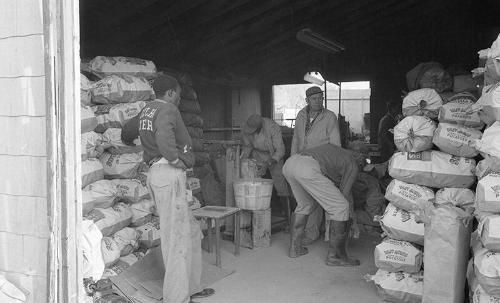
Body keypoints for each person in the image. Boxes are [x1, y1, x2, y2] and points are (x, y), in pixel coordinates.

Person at [137, 74, 214, 303]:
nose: (180, 99)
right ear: (170, 92)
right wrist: (174, 159)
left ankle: (192, 287)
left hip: (159, 174)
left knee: (190, 230)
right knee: (177, 237)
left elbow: (130, 131)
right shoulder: (168, 110)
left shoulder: (147, 109)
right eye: (179, 95)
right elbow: (164, 138)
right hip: (168, 174)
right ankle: (177, 297)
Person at [283, 143, 360, 266]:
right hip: (307, 167)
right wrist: (352, 219)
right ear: (359, 155)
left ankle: (295, 248)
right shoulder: (352, 163)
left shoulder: (336, 151)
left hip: (290, 163)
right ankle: (335, 257)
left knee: (305, 204)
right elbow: (343, 196)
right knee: (340, 207)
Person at [291, 86, 342, 244]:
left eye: (321, 98)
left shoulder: (329, 117)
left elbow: (335, 142)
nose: (318, 101)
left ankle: (321, 234)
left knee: (322, 197)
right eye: (314, 98)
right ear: (307, 100)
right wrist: (293, 159)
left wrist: (333, 164)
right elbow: (296, 139)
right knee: (307, 197)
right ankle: (310, 231)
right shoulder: (301, 115)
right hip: (302, 162)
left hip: (321, 162)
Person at [240, 114, 291, 227]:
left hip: (274, 157)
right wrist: (243, 162)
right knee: (256, 184)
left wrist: (268, 163)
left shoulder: (272, 127)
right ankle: (258, 218)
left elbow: (280, 150)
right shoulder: (248, 129)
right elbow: (247, 147)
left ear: (259, 126)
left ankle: (288, 219)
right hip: (257, 155)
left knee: (280, 186)